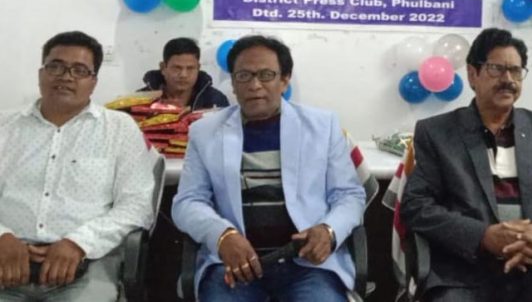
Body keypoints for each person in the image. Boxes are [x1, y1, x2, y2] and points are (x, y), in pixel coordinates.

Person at [400, 28, 532, 302]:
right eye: (496, 69)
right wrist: (482, 236)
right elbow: (417, 206)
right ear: (473, 74)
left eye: (516, 71)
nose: (508, 80)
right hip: (465, 271)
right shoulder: (437, 133)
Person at [172, 35, 365, 301]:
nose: (255, 85)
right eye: (244, 76)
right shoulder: (204, 132)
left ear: (284, 80)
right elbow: (187, 202)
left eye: (266, 75)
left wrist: (328, 231)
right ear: (233, 83)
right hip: (235, 264)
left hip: (307, 265)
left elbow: (349, 195)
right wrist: (222, 235)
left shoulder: (322, 126)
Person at [0, 31, 155, 301]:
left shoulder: (119, 129)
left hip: (87, 264)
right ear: (41, 74)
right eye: (56, 66)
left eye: (79, 70)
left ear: (94, 82)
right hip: (7, 259)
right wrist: (3, 237)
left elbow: (137, 205)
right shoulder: (5, 126)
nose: (66, 77)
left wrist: (78, 243)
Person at [140, 37, 229, 110]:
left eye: (190, 68)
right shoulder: (140, 100)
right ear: (163, 68)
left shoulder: (216, 100)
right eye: (177, 68)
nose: (183, 75)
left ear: (198, 68)